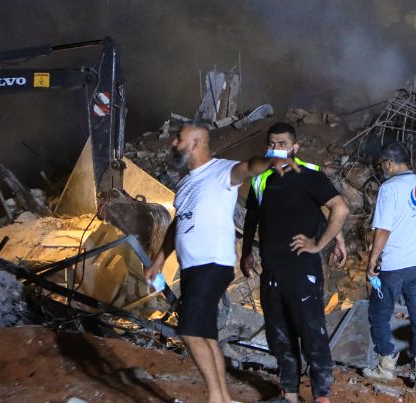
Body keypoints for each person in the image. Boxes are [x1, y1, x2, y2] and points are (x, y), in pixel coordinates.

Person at [145, 123, 269, 403]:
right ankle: (224, 398)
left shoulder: (221, 171)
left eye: (179, 138)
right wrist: (158, 262)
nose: (173, 143)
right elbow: (178, 225)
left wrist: (272, 160)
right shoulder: (186, 182)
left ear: (197, 143)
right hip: (193, 268)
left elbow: (249, 167)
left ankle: (215, 398)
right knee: (204, 333)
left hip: (212, 264)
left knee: (188, 331)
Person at [240, 122, 350, 403]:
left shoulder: (309, 175)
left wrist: (321, 243)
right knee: (280, 335)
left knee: (311, 331)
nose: (276, 149)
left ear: (295, 147)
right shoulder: (261, 178)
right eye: (272, 143)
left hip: (302, 269)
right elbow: (253, 215)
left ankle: (321, 396)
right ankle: (288, 393)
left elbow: (339, 208)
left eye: (282, 144)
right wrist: (246, 252)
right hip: (272, 268)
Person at [362, 141, 416, 389]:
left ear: (389, 164)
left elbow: (383, 229)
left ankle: (386, 367)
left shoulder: (389, 188)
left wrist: (372, 261)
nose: (382, 169)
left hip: (394, 266)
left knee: (379, 313)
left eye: (382, 165)